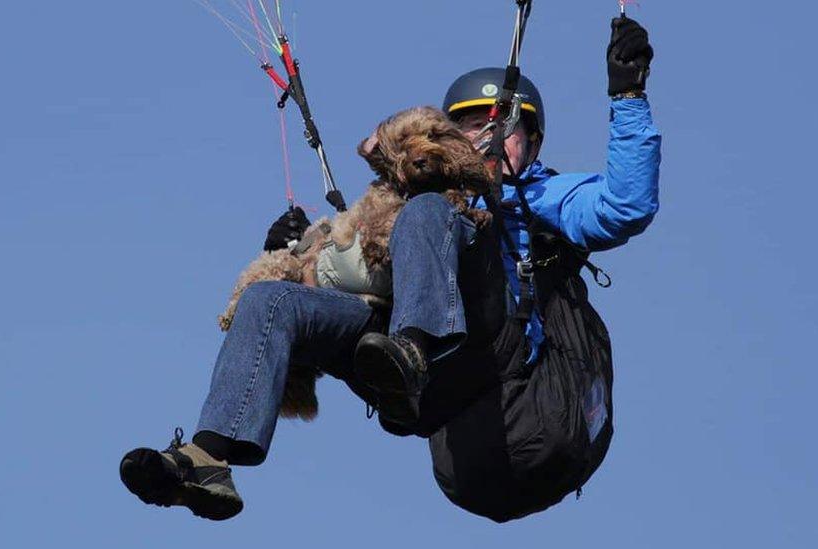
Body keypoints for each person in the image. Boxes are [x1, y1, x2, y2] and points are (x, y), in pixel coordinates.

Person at [118, 15, 659, 523]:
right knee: (270, 300)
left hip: (490, 351)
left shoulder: (540, 195)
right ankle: (208, 459)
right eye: (467, 127)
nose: (485, 137)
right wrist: (306, 249)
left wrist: (628, 95)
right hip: (405, 370)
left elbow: (625, 207)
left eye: (503, 126)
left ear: (532, 141)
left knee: (430, 209)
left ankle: (414, 347)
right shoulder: (400, 194)